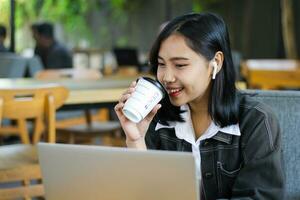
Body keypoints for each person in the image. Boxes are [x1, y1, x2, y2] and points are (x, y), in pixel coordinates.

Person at [115, 12, 284, 199]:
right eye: (161, 64)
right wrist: (136, 139)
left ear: (216, 63)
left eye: (180, 65)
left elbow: (259, 197)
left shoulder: (256, 120)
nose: (166, 77)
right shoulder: (155, 116)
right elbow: (142, 193)